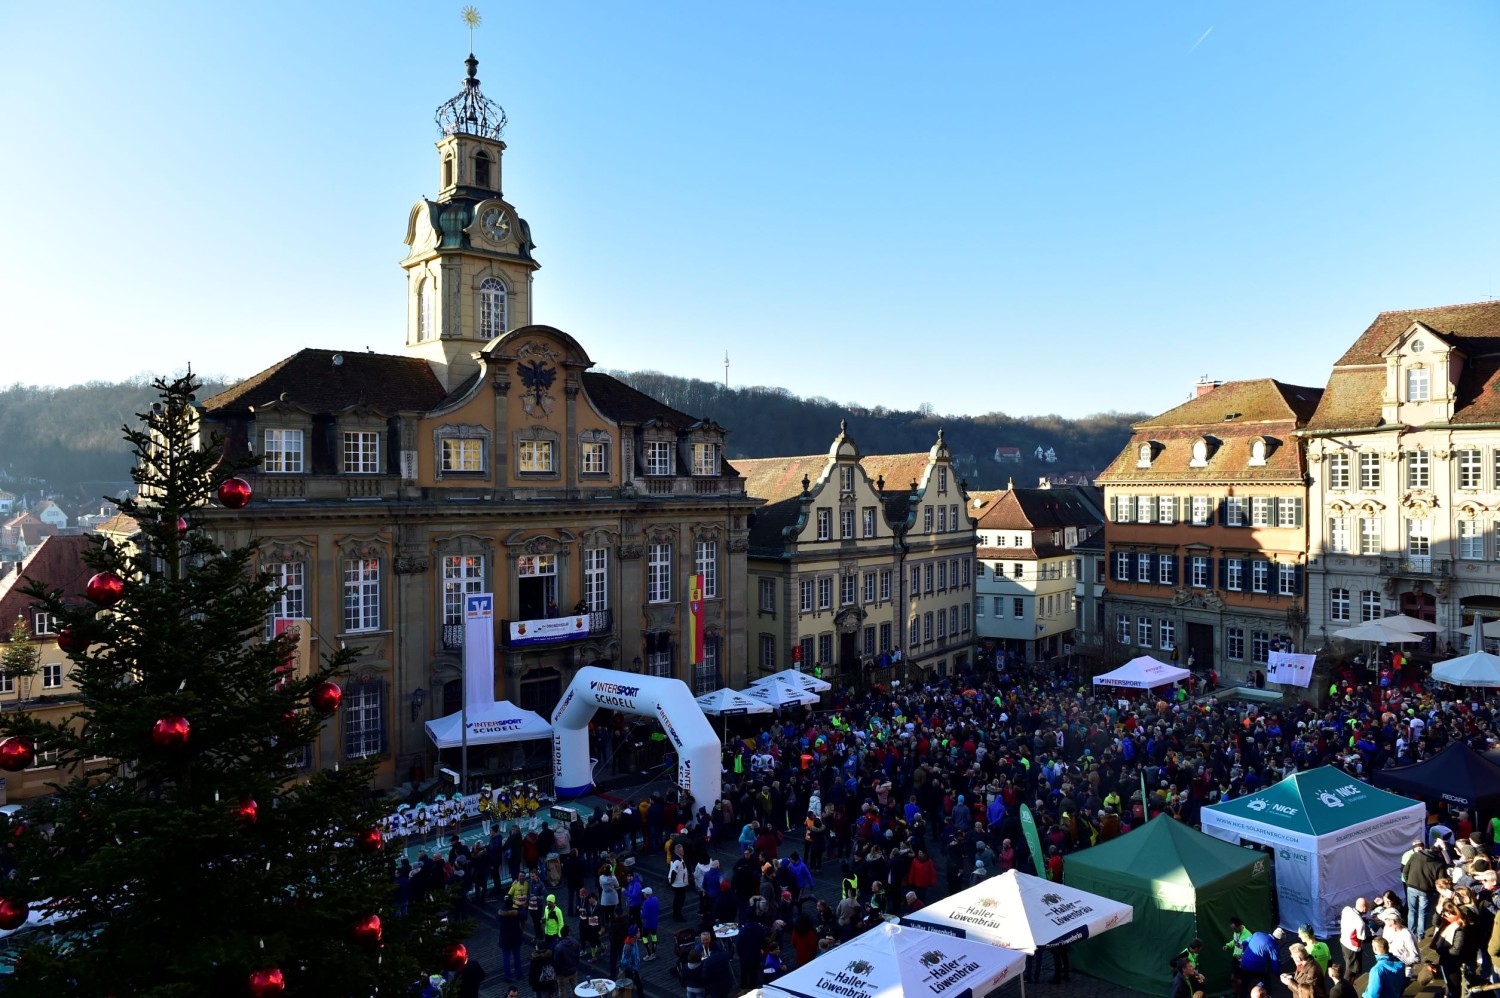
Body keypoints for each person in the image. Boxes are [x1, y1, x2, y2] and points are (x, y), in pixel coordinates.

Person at [1340, 897, 1371, 977]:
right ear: (1364, 909)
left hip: (1343, 942)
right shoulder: (1360, 923)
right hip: (1353, 948)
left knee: (1348, 964)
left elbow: (1353, 920)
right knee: (1352, 970)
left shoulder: (1346, 909)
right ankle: (1345, 986)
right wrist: (1375, 937)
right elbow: (1362, 938)